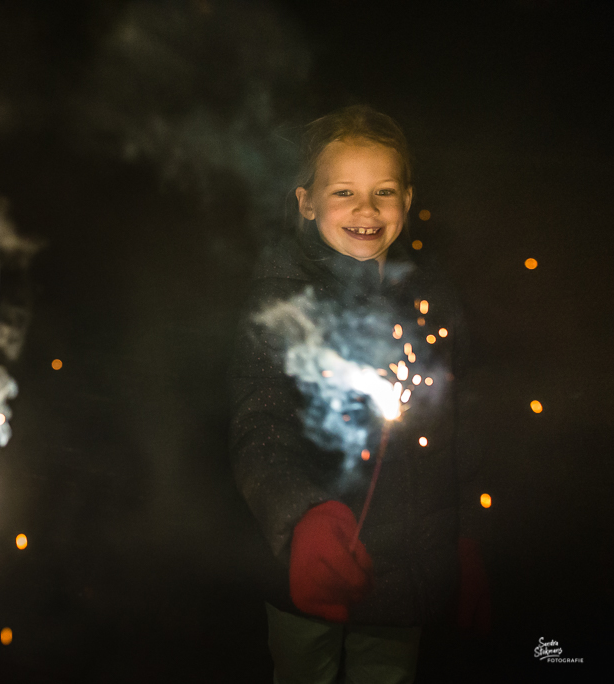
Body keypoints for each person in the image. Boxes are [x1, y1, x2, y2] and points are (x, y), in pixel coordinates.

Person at [229, 105, 490, 684]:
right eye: (344, 191)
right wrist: (302, 516)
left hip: (406, 571)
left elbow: (462, 429)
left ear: (407, 198)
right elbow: (257, 425)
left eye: (384, 191)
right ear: (306, 202)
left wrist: (469, 536)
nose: (366, 210)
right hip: (306, 563)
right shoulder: (282, 301)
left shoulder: (432, 299)